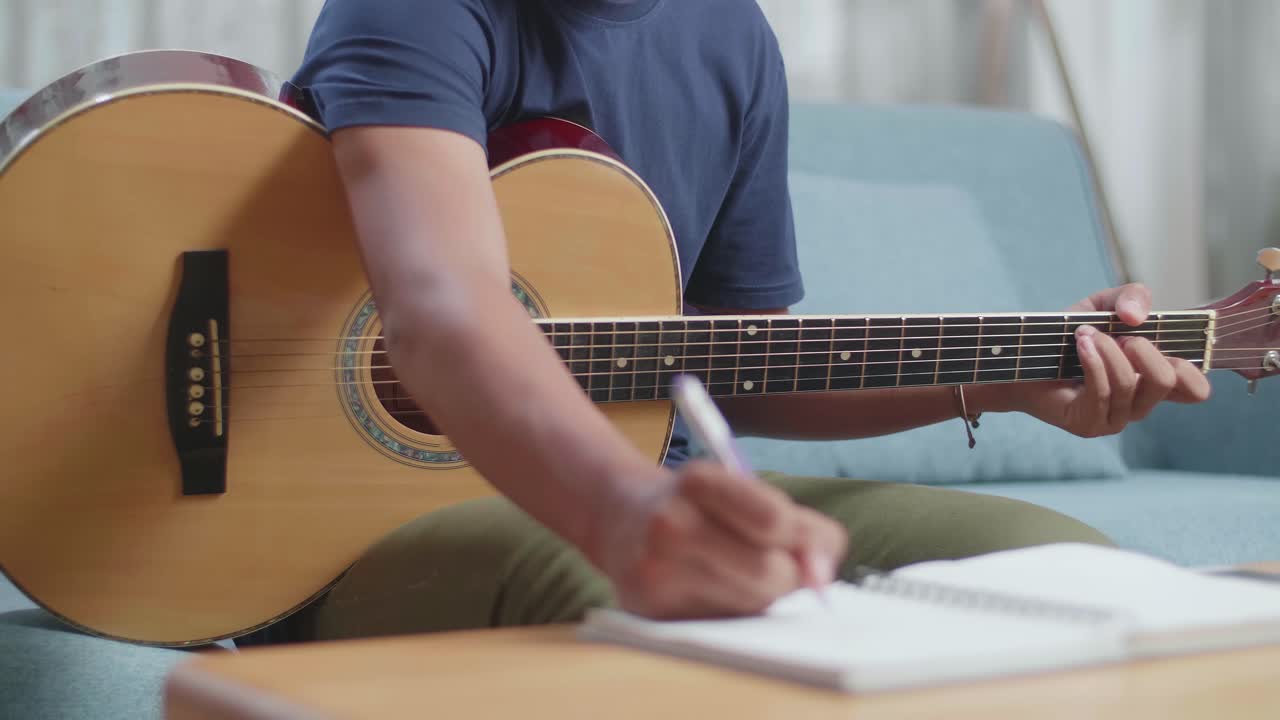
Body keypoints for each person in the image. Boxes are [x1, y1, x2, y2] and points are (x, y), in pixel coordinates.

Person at [241, 0, 1211, 645]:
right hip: (343, 529)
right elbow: (438, 309)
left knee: (1050, 566)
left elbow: (736, 368)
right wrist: (626, 516)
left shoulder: (729, 36)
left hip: (641, 493)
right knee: (658, 621)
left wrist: (1007, 376)